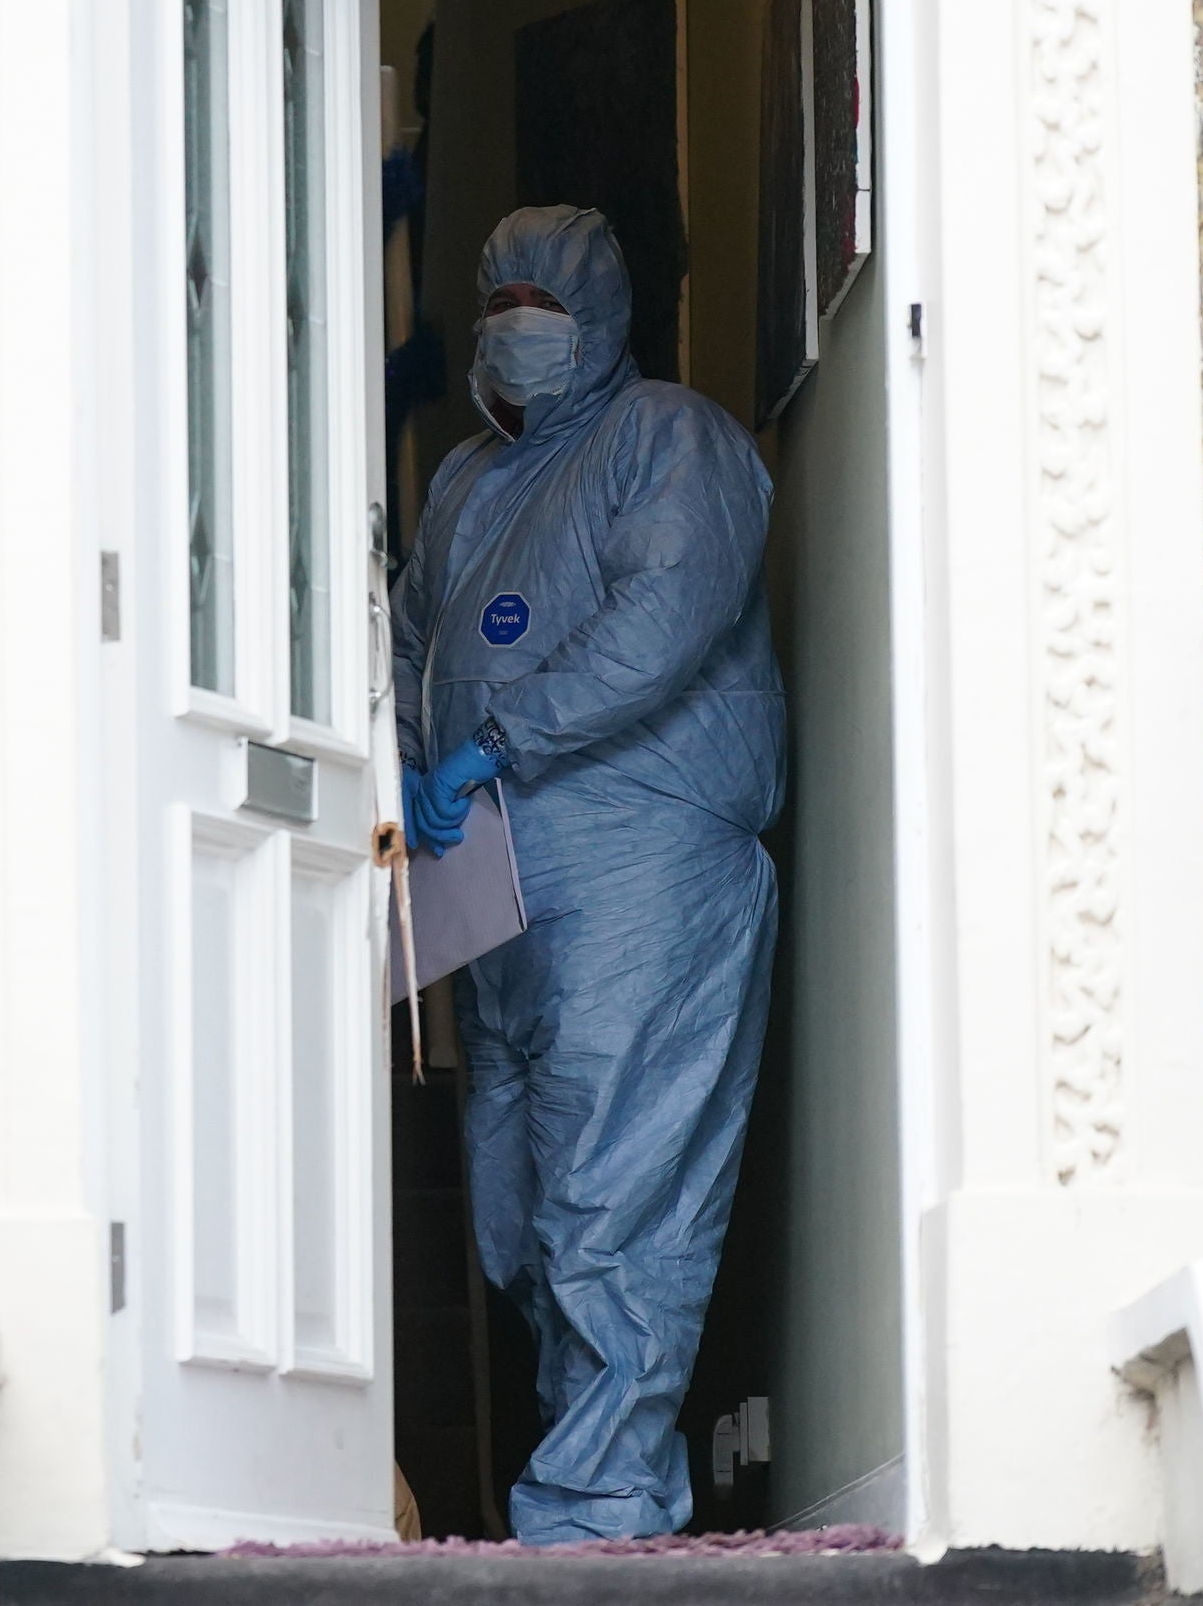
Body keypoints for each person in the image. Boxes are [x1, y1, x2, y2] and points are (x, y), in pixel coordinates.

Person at [394, 204, 785, 1543]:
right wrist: (406, 755)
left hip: (643, 869)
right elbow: (409, 637)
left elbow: (661, 620)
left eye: (539, 304)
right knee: (520, 1202)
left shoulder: (672, 440)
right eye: (495, 298)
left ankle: (604, 1500)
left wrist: (501, 736)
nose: (513, 326)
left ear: (601, 317)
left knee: (621, 1179)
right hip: (494, 883)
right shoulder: (461, 486)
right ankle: (582, 1469)